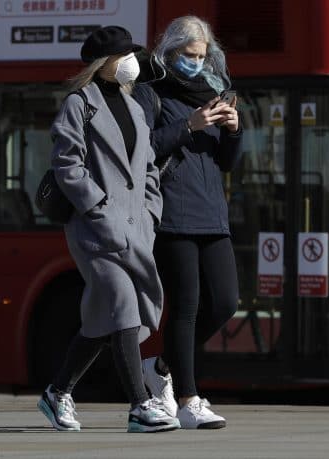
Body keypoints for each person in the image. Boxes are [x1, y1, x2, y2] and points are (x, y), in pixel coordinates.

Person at [37, 26, 180, 433]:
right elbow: (67, 164)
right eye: (124, 55)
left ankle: (58, 392)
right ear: (105, 63)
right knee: (123, 304)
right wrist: (98, 207)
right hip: (94, 229)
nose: (132, 62)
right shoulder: (79, 104)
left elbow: (148, 168)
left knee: (105, 318)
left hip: (136, 229)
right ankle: (140, 406)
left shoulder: (135, 107)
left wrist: (151, 214)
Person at [132, 15, 242, 430]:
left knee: (226, 301)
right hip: (172, 213)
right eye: (188, 55)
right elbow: (142, 150)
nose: (195, 62)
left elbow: (226, 163)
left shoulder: (214, 92)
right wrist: (188, 125)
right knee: (186, 307)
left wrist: (233, 131)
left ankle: (160, 364)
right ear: (171, 51)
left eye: (201, 56)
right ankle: (187, 400)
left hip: (212, 212)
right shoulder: (151, 93)